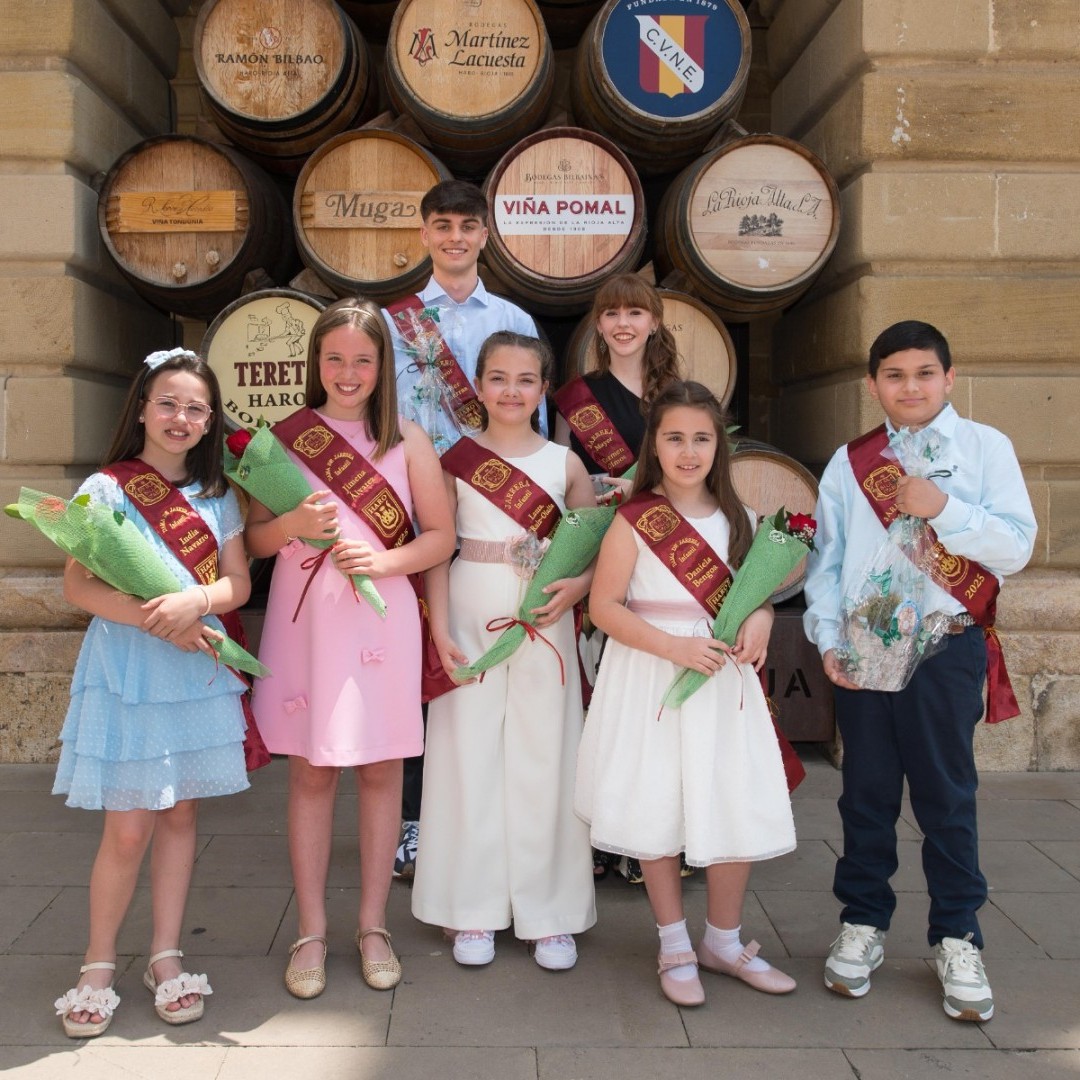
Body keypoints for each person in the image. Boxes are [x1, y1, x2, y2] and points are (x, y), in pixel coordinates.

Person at [803, 320, 1037, 1022]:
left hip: (946, 645)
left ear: (949, 377)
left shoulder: (985, 449)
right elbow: (827, 563)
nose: (911, 387)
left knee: (946, 796)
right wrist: (826, 640)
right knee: (866, 794)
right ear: (873, 384)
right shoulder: (851, 462)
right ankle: (863, 921)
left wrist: (947, 511)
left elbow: (1017, 546)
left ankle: (957, 935)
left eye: (925, 373)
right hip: (865, 649)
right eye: (895, 375)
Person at [246, 299, 455, 1000]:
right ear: (315, 362)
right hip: (306, 623)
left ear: (382, 366)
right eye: (333, 358)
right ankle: (310, 929)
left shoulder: (408, 440)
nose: (347, 372)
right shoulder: (284, 438)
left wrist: (384, 562)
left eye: (362, 360)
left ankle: (372, 925)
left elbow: (440, 538)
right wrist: (292, 526)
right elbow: (254, 541)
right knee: (310, 774)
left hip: (380, 624)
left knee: (380, 772)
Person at [575, 380, 797, 1007]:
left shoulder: (739, 516)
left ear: (719, 446)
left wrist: (762, 617)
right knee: (657, 802)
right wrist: (673, 648)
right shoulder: (633, 518)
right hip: (653, 672)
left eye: (701, 438)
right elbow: (604, 607)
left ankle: (722, 942)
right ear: (654, 445)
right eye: (674, 438)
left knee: (730, 799)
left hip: (722, 680)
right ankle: (673, 943)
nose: (688, 451)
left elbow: (754, 595)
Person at [53, 348, 253, 1037]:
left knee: (180, 816)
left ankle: (166, 956)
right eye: (168, 403)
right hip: (131, 669)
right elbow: (77, 585)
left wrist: (197, 601)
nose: (180, 418)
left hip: (192, 669)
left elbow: (238, 583)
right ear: (141, 408)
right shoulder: (105, 488)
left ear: (210, 421)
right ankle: (98, 962)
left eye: (195, 408)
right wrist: (156, 618)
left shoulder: (218, 495)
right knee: (129, 824)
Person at [413, 331, 596, 971]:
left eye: (525, 379)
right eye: (498, 377)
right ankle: (472, 907)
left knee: (548, 754)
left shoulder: (566, 465)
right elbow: (438, 548)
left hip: (547, 620)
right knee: (467, 757)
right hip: (470, 613)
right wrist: (438, 628)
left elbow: (594, 548)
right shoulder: (455, 460)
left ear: (543, 389)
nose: (511, 391)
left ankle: (551, 914)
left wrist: (579, 587)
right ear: (479, 385)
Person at [381, 178, 542, 879]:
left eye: (467, 226)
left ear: (484, 235)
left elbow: (530, 420)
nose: (454, 237)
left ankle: (492, 812)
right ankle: (415, 820)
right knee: (413, 664)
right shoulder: (393, 323)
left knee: (480, 659)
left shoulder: (514, 318)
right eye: (442, 225)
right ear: (424, 234)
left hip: (488, 513)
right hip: (411, 511)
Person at [553, 272, 682, 883]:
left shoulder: (678, 396)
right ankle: (605, 834)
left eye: (635, 313)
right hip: (601, 556)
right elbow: (562, 479)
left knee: (655, 705)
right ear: (598, 326)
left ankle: (655, 835)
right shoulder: (578, 398)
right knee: (605, 700)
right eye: (611, 314)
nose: (623, 324)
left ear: (654, 321)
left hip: (664, 561)